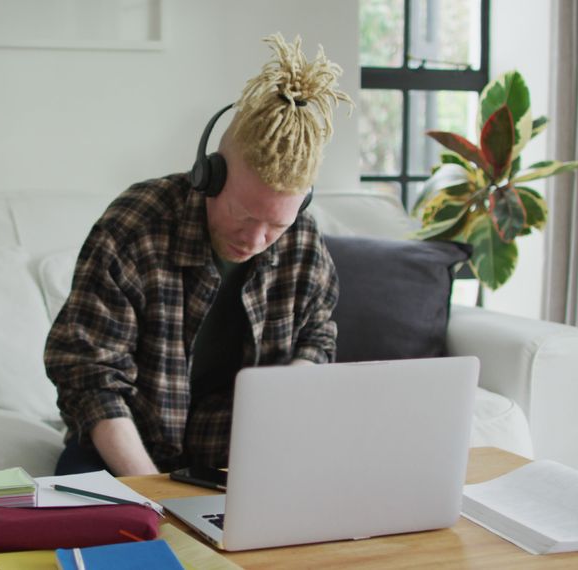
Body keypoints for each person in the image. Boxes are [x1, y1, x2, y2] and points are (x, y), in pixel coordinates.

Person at [44, 33, 353, 476]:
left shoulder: (303, 242)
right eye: (244, 216)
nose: (257, 239)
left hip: (240, 461)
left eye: (276, 225)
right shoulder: (135, 225)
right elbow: (89, 375)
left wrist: (292, 394)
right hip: (125, 449)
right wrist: (154, 496)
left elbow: (317, 340)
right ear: (208, 175)